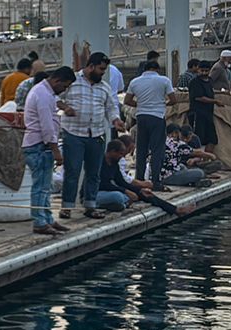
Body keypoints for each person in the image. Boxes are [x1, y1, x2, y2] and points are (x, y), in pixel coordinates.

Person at [60, 52, 120, 220]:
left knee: (94, 172)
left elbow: (111, 108)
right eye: (101, 69)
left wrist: (116, 120)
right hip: (73, 133)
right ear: (91, 66)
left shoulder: (104, 87)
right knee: (72, 170)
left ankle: (90, 205)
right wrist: (65, 108)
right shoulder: (73, 82)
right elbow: (55, 97)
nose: (103, 73)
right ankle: (67, 206)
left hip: (97, 134)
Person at [24, 66, 77, 235]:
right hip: (39, 145)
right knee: (40, 186)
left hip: (41, 145)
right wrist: (56, 150)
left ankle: (47, 218)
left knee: (45, 186)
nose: (64, 90)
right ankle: (39, 221)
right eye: (64, 86)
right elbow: (46, 126)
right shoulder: (43, 95)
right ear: (56, 80)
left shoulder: (45, 93)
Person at [95, 138, 182, 214]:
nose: (122, 157)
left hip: (108, 192)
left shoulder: (114, 164)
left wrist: (139, 190)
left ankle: (173, 209)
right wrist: (126, 191)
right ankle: (104, 204)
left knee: (143, 194)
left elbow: (121, 182)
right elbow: (103, 184)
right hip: (95, 194)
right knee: (118, 196)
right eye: (120, 154)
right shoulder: (99, 163)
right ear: (112, 151)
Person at [125, 59, 174, 184]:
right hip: (157, 117)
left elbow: (127, 100)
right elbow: (173, 100)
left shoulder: (135, 81)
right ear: (157, 69)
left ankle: (140, 178)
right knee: (157, 149)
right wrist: (162, 104)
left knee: (141, 149)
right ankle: (155, 180)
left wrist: (141, 104)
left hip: (141, 117)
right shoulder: (164, 80)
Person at [186, 58, 219, 149]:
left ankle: (207, 159)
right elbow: (199, 97)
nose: (204, 73)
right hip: (197, 114)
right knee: (198, 139)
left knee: (212, 139)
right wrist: (215, 101)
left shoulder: (210, 80)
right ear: (198, 70)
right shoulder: (195, 82)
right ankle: (198, 159)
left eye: (206, 71)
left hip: (208, 114)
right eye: (202, 71)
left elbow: (211, 91)